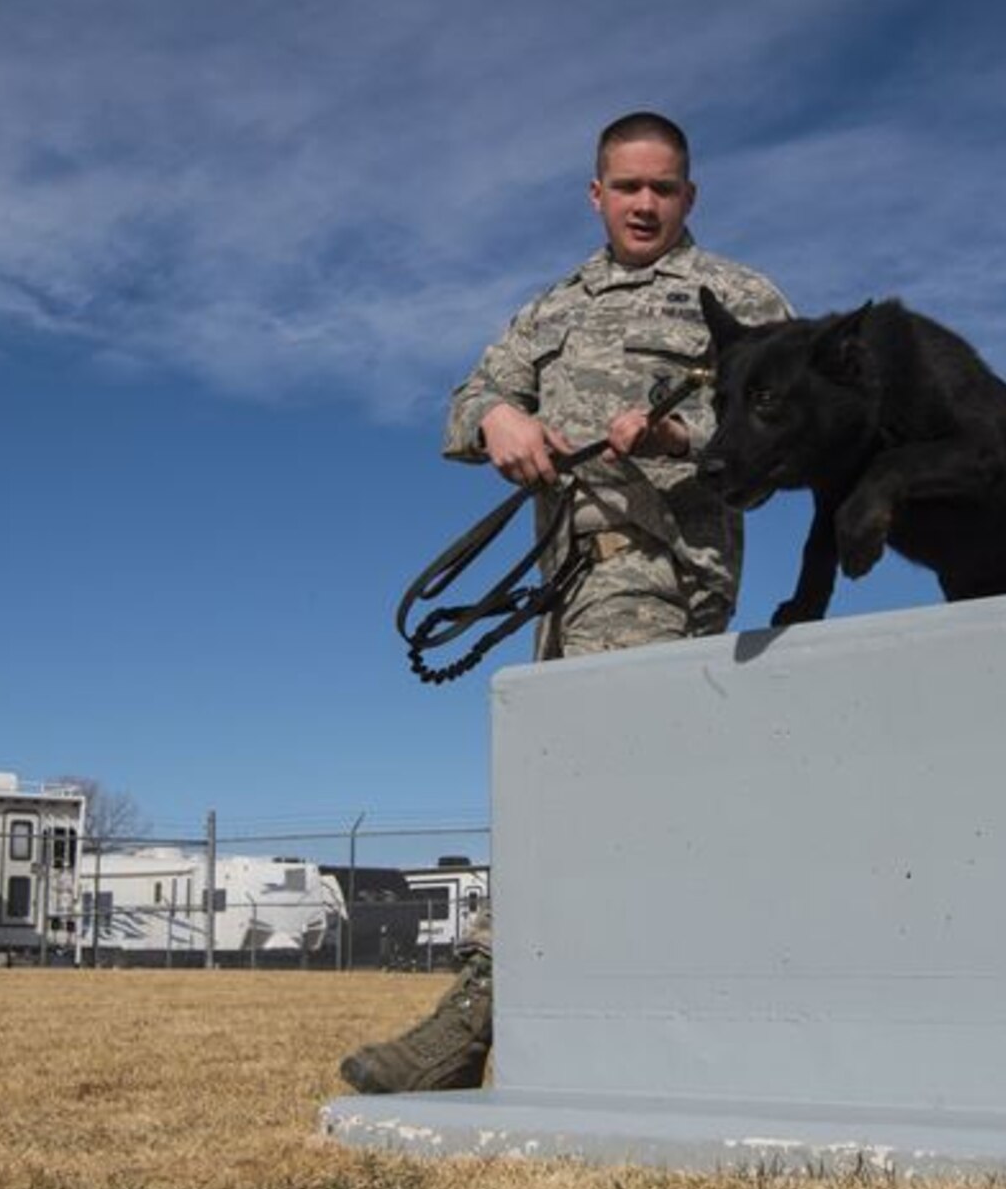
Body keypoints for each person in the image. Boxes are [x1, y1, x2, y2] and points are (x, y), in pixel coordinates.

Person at [338, 111, 792, 1095]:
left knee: (585, 797)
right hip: (562, 584)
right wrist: (500, 415)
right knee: (606, 807)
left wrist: (679, 438)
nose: (642, 203)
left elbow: (793, 428)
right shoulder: (554, 306)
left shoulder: (738, 298)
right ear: (595, 194)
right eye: (625, 187)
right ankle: (624, 1030)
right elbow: (468, 402)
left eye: (661, 188)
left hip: (658, 574)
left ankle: (466, 1030)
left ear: (688, 196)